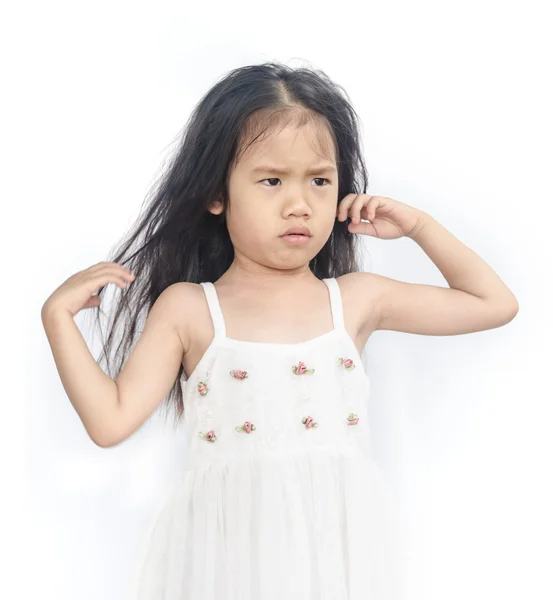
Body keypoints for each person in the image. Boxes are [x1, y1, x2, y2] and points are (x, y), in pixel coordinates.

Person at [40, 61, 519, 600]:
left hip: (339, 556)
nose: (299, 204)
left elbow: (493, 303)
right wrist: (57, 319)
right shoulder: (190, 309)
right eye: (271, 181)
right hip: (226, 560)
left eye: (319, 181)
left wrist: (420, 228)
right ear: (215, 194)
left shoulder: (356, 299)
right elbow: (110, 422)